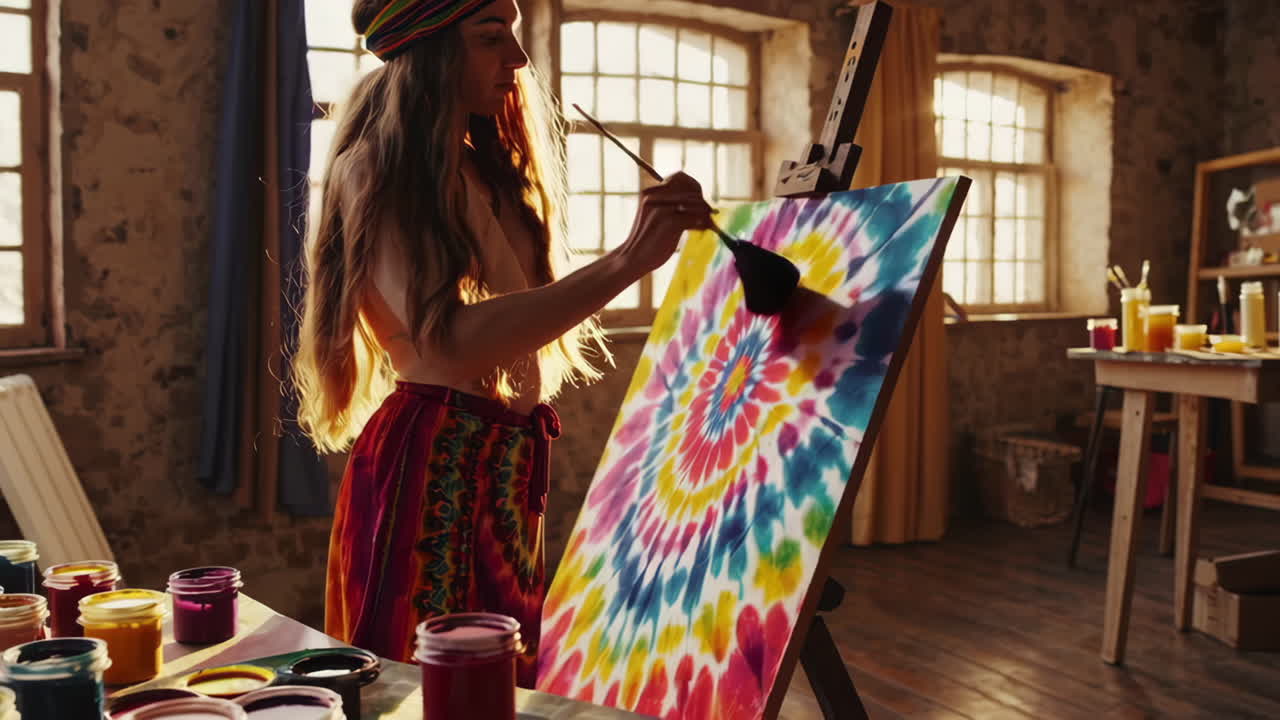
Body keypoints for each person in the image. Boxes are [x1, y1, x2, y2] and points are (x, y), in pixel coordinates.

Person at [291, 0, 713, 686]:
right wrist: (630, 259)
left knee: (503, 681)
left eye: (512, 36)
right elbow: (451, 345)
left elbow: (517, 325)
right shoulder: (375, 169)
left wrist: (632, 256)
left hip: (507, 464)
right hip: (431, 465)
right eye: (491, 39)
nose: (517, 60)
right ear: (430, 53)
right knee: (424, 688)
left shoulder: (483, 172)